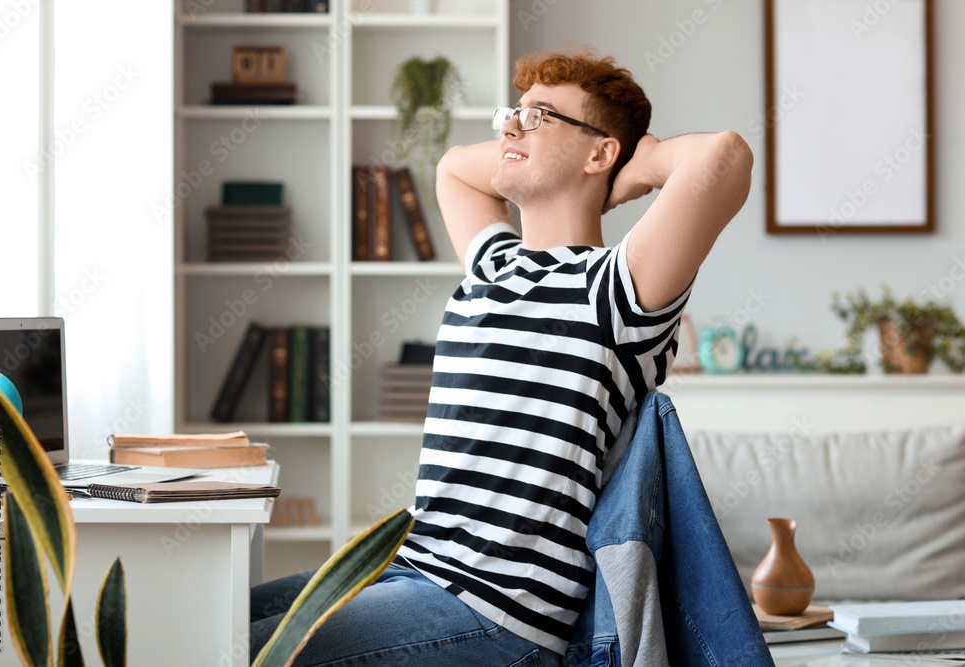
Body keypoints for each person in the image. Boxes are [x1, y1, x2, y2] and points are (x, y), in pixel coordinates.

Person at [249, 48, 753, 666]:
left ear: (601, 154)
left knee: (233, 651)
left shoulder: (614, 291)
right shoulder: (496, 265)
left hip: (494, 611)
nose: (509, 127)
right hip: (405, 568)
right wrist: (555, 144)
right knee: (201, 617)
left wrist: (633, 164)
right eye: (511, 113)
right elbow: (454, 168)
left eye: (539, 116)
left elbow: (723, 156)